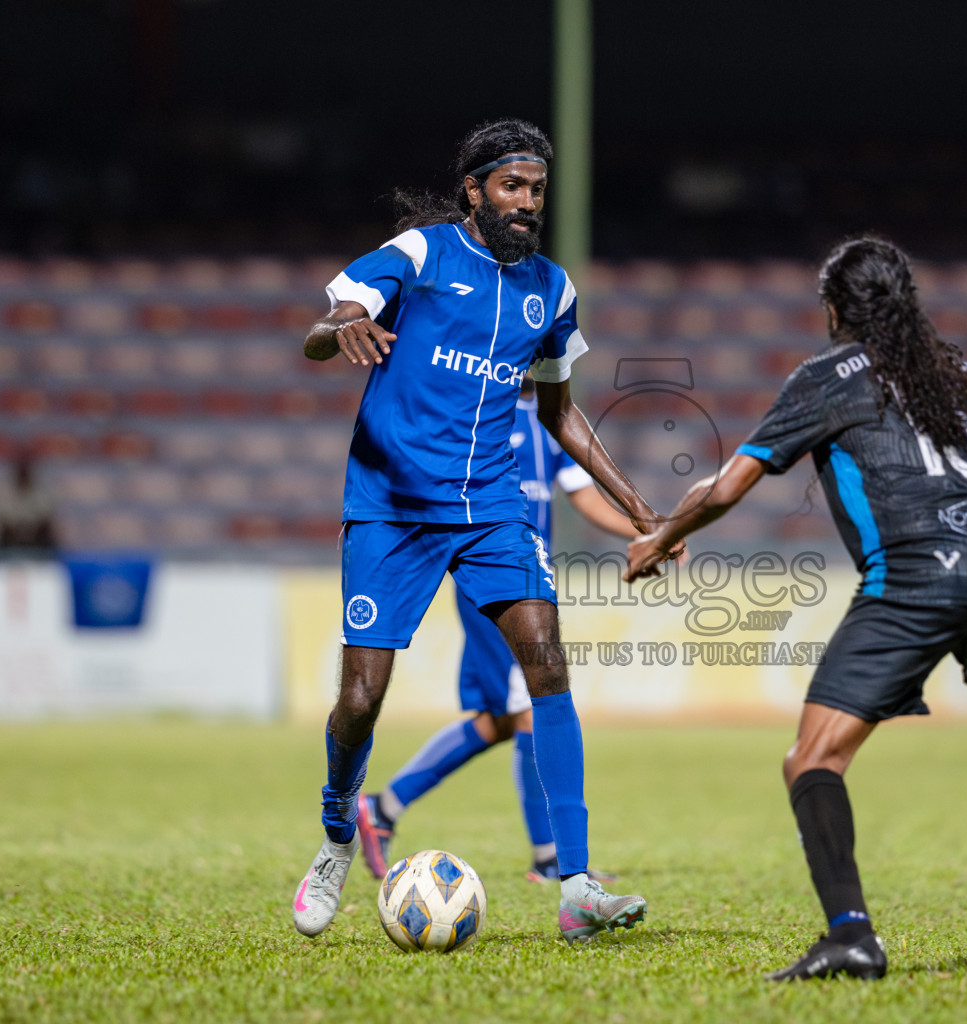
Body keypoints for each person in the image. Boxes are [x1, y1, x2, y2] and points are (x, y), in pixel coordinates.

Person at [625, 237, 967, 980]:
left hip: (912, 578)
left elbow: (726, 488)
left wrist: (661, 536)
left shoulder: (827, 378)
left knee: (811, 759)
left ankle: (850, 934)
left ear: (835, 310)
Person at [294, 119, 679, 943]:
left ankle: (577, 883)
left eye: (536, 189)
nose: (526, 203)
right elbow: (324, 326)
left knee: (546, 667)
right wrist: (340, 330)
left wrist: (646, 511)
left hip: (492, 509)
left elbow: (561, 414)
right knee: (360, 700)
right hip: (391, 507)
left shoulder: (551, 288)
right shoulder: (423, 255)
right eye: (512, 186)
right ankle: (334, 838)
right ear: (474, 190)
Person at [355, 377, 643, 886]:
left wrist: (644, 529)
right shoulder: (475, 411)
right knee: (531, 709)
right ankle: (549, 856)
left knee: (501, 717)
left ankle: (383, 805)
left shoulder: (553, 422)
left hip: (527, 580)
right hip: (485, 580)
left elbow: (583, 496)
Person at [0, 452, 57, 555]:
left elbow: (44, 518)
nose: (23, 474)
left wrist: (29, 530)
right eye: (21, 471)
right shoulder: (5, 493)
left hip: (37, 538)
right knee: (1, 535)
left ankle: (47, 561)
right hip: (11, 538)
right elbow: (5, 520)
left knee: (48, 533)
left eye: (25, 471)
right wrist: (19, 530)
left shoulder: (42, 492)